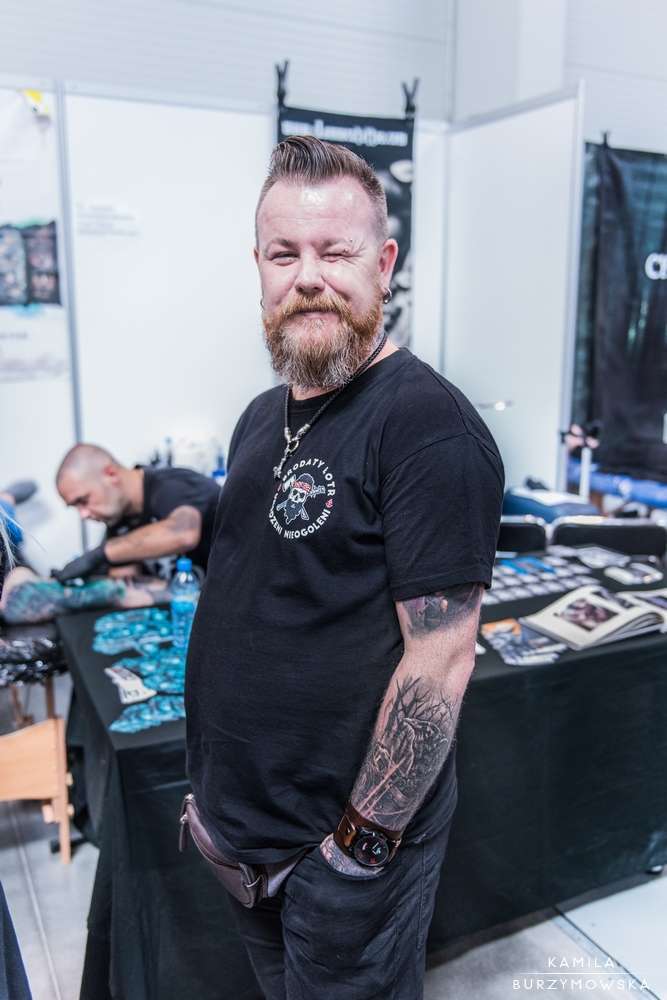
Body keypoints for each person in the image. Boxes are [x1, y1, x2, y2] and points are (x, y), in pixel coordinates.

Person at [185, 136, 504, 999]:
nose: (308, 278)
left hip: (341, 856)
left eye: (335, 252)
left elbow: (441, 656)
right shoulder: (260, 416)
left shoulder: (428, 428)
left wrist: (358, 849)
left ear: (383, 264)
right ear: (258, 266)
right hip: (241, 838)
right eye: (283, 254)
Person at [52, 444, 221, 582]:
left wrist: (100, 554)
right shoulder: (118, 518)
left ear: (111, 474)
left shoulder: (173, 484)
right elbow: (127, 582)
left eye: (83, 500)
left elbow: (183, 533)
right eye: (75, 506)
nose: (83, 514)